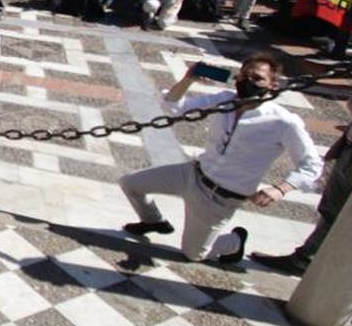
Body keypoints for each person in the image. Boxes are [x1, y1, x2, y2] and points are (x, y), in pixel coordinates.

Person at [120, 54, 322, 263]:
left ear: (273, 84)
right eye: (244, 76)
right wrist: (189, 79)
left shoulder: (284, 122)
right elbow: (174, 105)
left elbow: (311, 165)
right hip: (192, 173)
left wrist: (280, 189)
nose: (247, 82)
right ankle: (153, 221)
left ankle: (235, 241)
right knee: (129, 183)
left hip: (220, 196)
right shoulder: (224, 100)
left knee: (194, 254)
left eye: (257, 78)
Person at [252, 85, 352, 275]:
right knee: (331, 211)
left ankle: (328, 267)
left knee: (351, 218)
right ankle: (306, 258)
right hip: (351, 151)